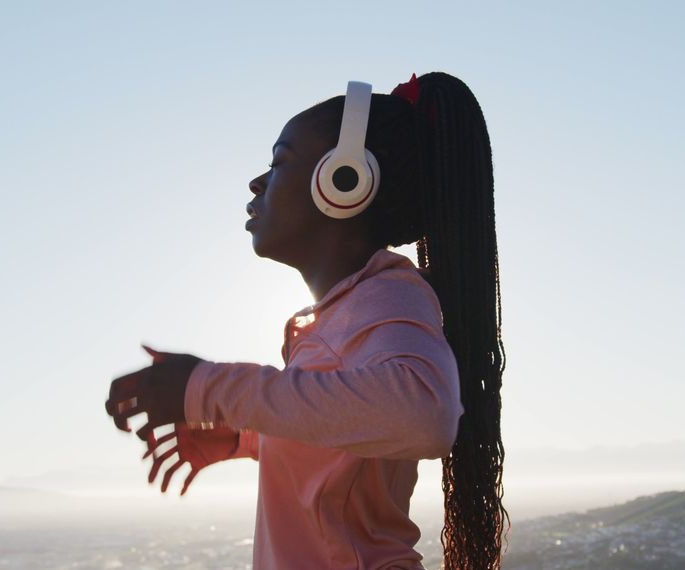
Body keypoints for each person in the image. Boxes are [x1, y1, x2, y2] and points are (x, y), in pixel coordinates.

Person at [105, 71, 508, 569]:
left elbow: (425, 415)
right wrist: (245, 437)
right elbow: (350, 433)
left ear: (345, 182)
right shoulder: (348, 310)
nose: (257, 182)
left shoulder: (389, 296)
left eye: (279, 162)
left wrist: (208, 387)